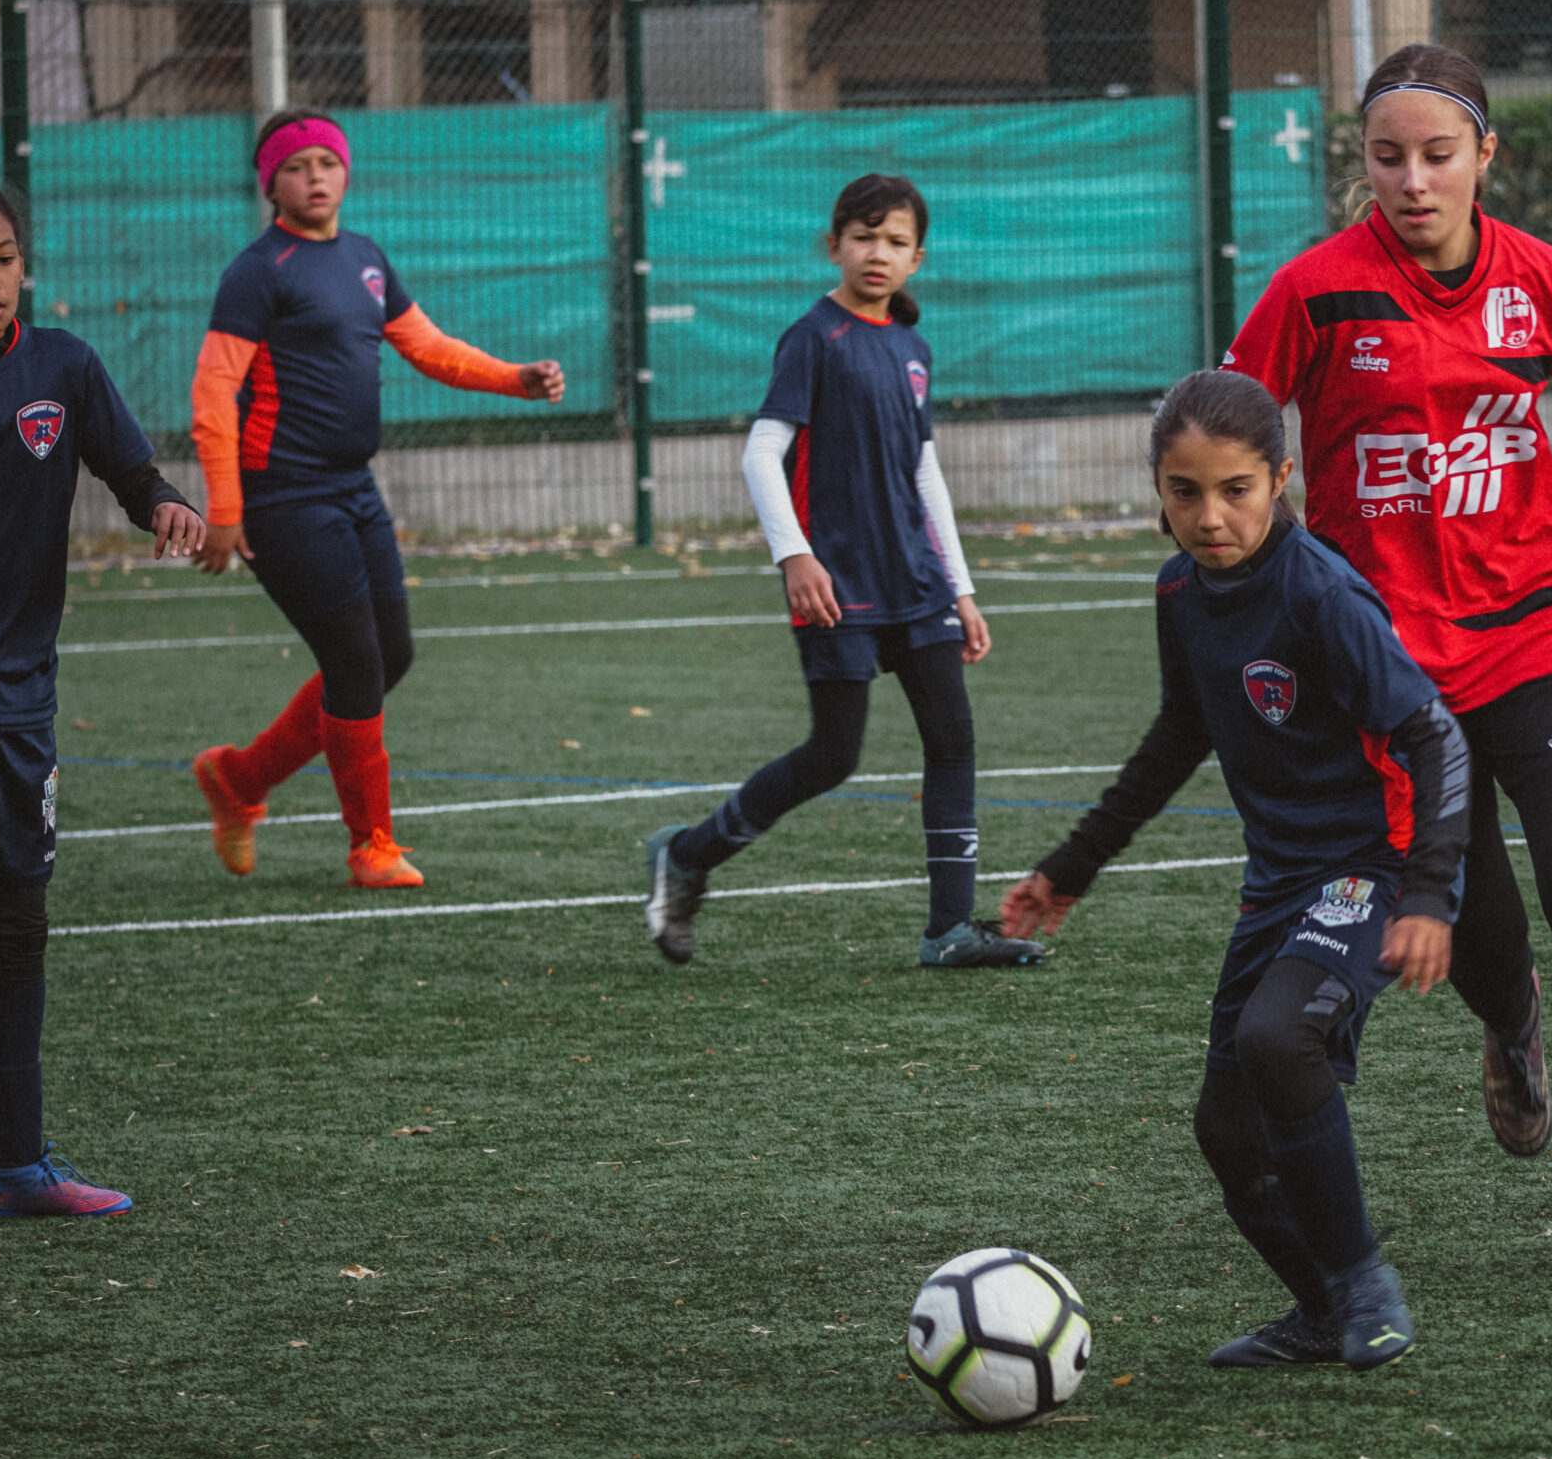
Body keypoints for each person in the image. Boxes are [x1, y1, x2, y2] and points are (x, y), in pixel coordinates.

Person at [1222, 43, 1552, 1262]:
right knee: (1482, 926)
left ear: (1484, 157)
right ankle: (1511, 1024)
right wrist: (1234, 569)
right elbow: (1227, 422)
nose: (1411, 179)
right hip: (1391, 668)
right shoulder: (1314, 291)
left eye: (1437, 154)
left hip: (1531, 629)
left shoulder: (1546, 284)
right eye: (1386, 157)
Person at [1002, 370, 1469, 1370]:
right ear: (1159, 489)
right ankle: (1319, 1314)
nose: (1209, 517)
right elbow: (1182, 730)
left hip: (1369, 866)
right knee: (1227, 1133)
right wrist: (1074, 865)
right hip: (1281, 883)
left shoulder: (1318, 591)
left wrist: (1428, 891)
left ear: (1280, 479)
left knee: (1278, 1037)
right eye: (1184, 492)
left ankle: (1363, 1284)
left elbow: (1435, 736)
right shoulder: (1179, 590)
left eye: (1235, 490)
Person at [642, 175, 1039, 969]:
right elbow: (761, 452)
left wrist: (961, 587)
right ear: (834, 245)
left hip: (916, 582)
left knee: (953, 738)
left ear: (917, 257)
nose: (877, 253)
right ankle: (687, 854)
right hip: (839, 583)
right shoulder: (811, 338)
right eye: (863, 237)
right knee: (834, 754)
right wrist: (795, 554)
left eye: (895, 241)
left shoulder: (913, 347)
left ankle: (949, 929)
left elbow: (925, 474)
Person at [0, 179, 206, 1215]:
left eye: (1, 258)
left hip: (18, 698)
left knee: (19, 928)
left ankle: (14, 1167)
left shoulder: (63, 367)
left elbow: (133, 474)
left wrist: (168, 507)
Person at [187, 109, 566, 889]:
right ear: (272, 184)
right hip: (283, 497)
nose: (315, 176)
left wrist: (513, 378)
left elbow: (427, 346)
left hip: (354, 487)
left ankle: (241, 780)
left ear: (347, 171)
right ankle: (371, 846)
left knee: (389, 654)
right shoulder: (259, 270)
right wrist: (224, 508)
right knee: (355, 659)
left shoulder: (364, 258)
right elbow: (213, 392)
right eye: (297, 166)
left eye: (328, 161)